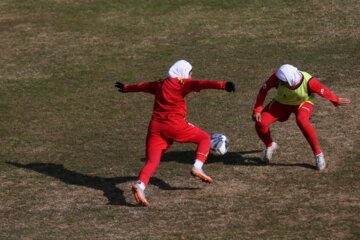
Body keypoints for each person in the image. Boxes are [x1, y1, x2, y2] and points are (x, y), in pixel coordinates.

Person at [115, 60, 235, 206]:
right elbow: (202, 84)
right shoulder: (182, 83)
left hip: (155, 128)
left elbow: (143, 86)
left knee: (152, 161)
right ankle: (197, 167)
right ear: (184, 72)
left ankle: (140, 186)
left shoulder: (160, 84)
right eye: (190, 73)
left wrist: (126, 88)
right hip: (174, 124)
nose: (190, 77)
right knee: (204, 138)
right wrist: (224, 85)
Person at [252, 64, 350, 170]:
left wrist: (335, 100)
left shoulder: (309, 82)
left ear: (290, 80)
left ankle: (318, 154)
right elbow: (263, 91)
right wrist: (257, 110)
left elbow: (323, 91)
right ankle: (270, 145)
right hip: (281, 101)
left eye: (283, 82)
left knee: (302, 121)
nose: (279, 83)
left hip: (303, 103)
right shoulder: (277, 76)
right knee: (260, 122)